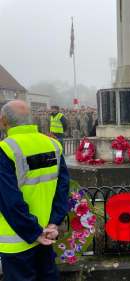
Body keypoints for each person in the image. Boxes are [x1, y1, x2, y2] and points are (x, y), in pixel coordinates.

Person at [0, 101, 69, 280]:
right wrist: (53, 222)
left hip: (17, 238)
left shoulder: (5, 149)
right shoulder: (53, 145)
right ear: (31, 119)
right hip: (46, 231)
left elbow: (10, 200)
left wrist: (34, 232)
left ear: (3, 120)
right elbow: (62, 187)